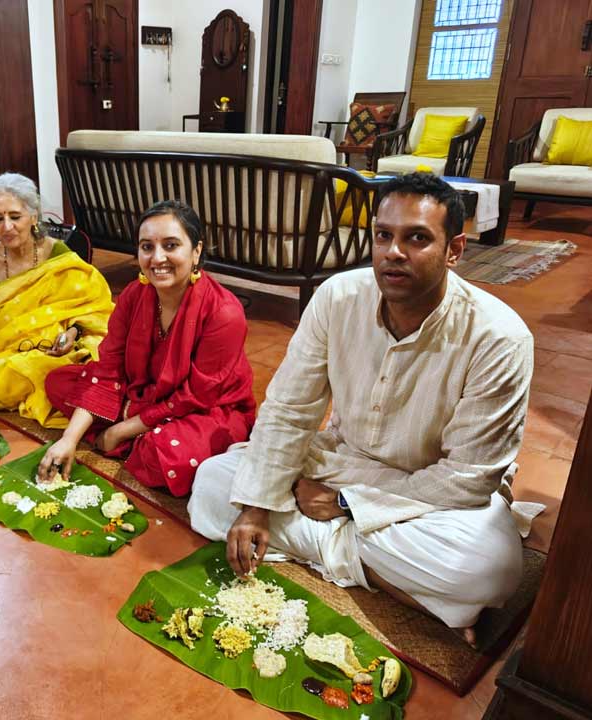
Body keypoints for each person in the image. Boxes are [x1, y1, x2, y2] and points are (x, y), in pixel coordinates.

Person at [188, 173, 539, 643]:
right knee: (212, 484)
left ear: (454, 250)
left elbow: (467, 478)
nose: (393, 252)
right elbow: (290, 408)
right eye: (383, 236)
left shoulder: (500, 337)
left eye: (416, 238)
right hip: (340, 457)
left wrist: (343, 504)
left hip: (430, 497)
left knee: (488, 567)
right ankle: (396, 582)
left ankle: (336, 552)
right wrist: (255, 507)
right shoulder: (338, 297)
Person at [37, 200, 257, 497]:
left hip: (203, 408)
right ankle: (134, 433)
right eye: (147, 247)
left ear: (196, 252)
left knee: (167, 456)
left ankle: (130, 435)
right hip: (140, 393)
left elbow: (196, 396)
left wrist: (120, 429)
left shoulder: (224, 312)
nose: (157, 258)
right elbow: (109, 367)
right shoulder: (133, 295)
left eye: (171, 245)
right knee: (58, 381)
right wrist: (68, 439)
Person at [0, 173, 113, 426]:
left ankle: (72, 393)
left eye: (15, 217)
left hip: (62, 347)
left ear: (33, 217)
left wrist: (72, 333)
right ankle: (75, 399)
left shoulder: (57, 253)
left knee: (98, 356)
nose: (6, 227)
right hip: (13, 351)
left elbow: (91, 305)